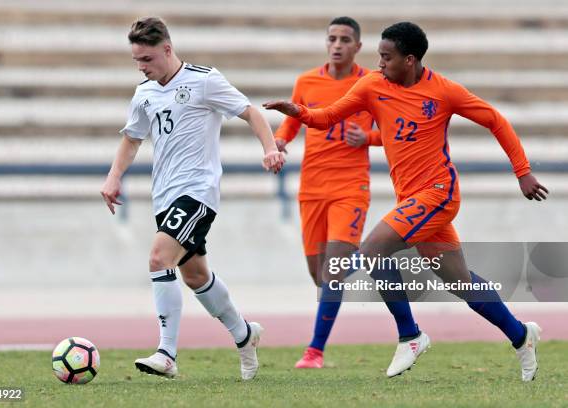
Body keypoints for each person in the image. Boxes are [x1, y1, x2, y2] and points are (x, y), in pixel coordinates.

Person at [265, 21, 548, 381]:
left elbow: (495, 119)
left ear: (410, 60)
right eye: (379, 57)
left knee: (372, 251)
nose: (379, 64)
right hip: (412, 199)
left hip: (438, 193)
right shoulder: (371, 86)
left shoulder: (444, 91)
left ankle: (410, 335)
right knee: (460, 282)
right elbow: (329, 116)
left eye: (387, 58)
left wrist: (522, 171)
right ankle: (522, 336)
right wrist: (299, 112)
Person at [101, 17, 285, 380]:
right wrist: (113, 177)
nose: (142, 67)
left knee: (158, 257)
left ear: (167, 50)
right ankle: (244, 335)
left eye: (147, 59)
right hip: (164, 196)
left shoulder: (204, 80)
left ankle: (166, 354)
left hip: (198, 191)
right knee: (195, 275)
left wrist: (269, 149)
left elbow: (249, 112)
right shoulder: (144, 93)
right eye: (137, 60)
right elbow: (132, 138)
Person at [274, 16, 382, 369]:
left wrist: (367, 138)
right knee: (318, 276)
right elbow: (293, 121)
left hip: (351, 187)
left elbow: (395, 130)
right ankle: (367, 258)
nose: (337, 44)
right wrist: (278, 142)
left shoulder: (371, 83)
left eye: (345, 39)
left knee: (332, 272)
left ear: (358, 47)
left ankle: (314, 352)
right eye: (332, 38)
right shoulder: (306, 81)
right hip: (311, 188)